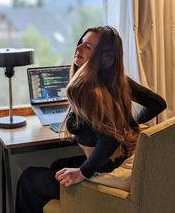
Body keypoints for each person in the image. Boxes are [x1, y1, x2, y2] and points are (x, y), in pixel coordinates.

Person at [15, 26, 167, 213]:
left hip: (103, 173)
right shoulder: (118, 80)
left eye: (88, 47)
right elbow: (157, 103)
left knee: (28, 178)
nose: (79, 48)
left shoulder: (84, 88)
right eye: (81, 43)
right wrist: (128, 123)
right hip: (118, 161)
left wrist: (82, 173)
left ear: (105, 58)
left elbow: (108, 139)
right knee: (56, 166)